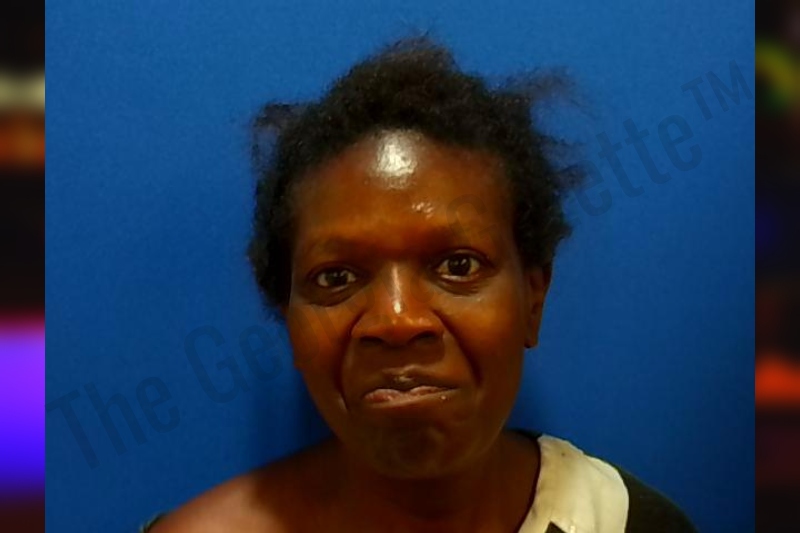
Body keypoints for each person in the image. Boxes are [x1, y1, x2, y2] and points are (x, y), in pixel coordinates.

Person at [146, 37, 697, 533]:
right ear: (288, 319)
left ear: (533, 298)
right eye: (336, 277)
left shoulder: (620, 521)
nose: (398, 319)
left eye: (458, 265)